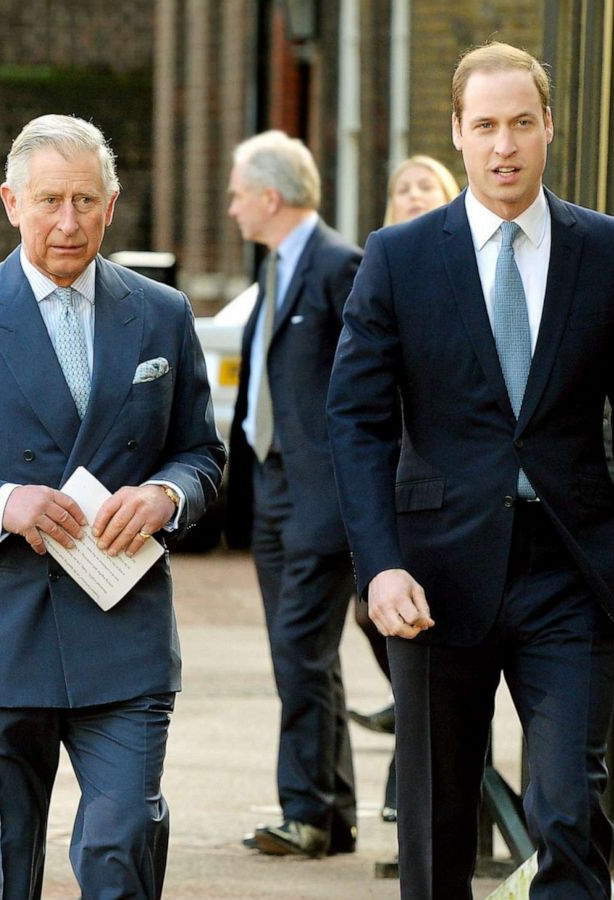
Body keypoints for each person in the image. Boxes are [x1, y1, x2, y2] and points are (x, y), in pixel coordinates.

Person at [326, 41, 614, 898]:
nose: (505, 145)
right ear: (457, 133)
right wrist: (379, 569)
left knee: (565, 809)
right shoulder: (399, 257)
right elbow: (356, 422)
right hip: (436, 576)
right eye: (485, 125)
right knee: (439, 819)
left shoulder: (611, 251)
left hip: (571, 570)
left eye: (522, 123)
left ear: (549, 127)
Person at [0, 114, 224, 899]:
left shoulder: (161, 313)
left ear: (112, 203)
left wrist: (168, 494)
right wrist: (2, 501)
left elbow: (203, 453)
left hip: (122, 633)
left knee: (121, 843)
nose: (69, 222)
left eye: (86, 202)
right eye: (51, 201)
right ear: (11, 202)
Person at [221, 131, 363, 859]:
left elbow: (371, 393)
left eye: (240, 192)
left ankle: (306, 811)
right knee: (300, 653)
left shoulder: (342, 268)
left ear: (271, 197)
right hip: (272, 488)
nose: (232, 205)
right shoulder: (277, 267)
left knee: (301, 649)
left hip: (319, 495)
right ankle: (329, 813)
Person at [345, 153, 463, 824]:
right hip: (393, 481)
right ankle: (411, 771)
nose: (413, 195)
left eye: (426, 186)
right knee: (384, 618)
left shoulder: (465, 263)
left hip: (455, 494)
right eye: (402, 188)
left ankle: (415, 783)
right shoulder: (382, 266)